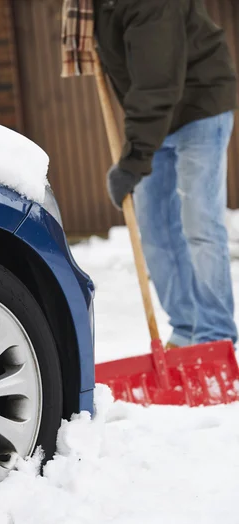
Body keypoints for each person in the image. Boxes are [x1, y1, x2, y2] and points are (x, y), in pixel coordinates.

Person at [61, 0, 238, 348]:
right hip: (156, 120)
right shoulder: (88, 7)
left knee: (200, 224)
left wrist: (133, 160)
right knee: (155, 226)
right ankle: (187, 329)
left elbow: (157, 82)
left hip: (200, 106)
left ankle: (216, 336)